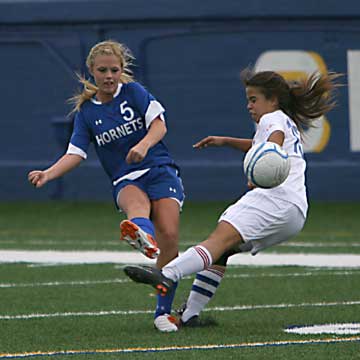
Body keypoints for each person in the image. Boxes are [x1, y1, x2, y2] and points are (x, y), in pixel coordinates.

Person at [123, 69, 342, 325]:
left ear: (272, 100)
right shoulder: (283, 120)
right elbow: (260, 144)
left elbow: (273, 142)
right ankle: (190, 316)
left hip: (274, 199)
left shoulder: (272, 119)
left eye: (253, 99)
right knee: (222, 252)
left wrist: (264, 170)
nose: (249, 105)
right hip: (294, 212)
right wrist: (225, 141)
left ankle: (167, 273)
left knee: (218, 239)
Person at [27, 40, 185, 332]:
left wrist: (144, 144)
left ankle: (162, 312)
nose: (109, 76)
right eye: (102, 70)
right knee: (135, 204)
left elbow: (159, 125)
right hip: (126, 177)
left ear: (122, 70)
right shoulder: (87, 112)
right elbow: (75, 153)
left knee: (171, 237)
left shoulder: (134, 93)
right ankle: (143, 237)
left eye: (114, 70)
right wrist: (49, 173)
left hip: (160, 170)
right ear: (91, 71)